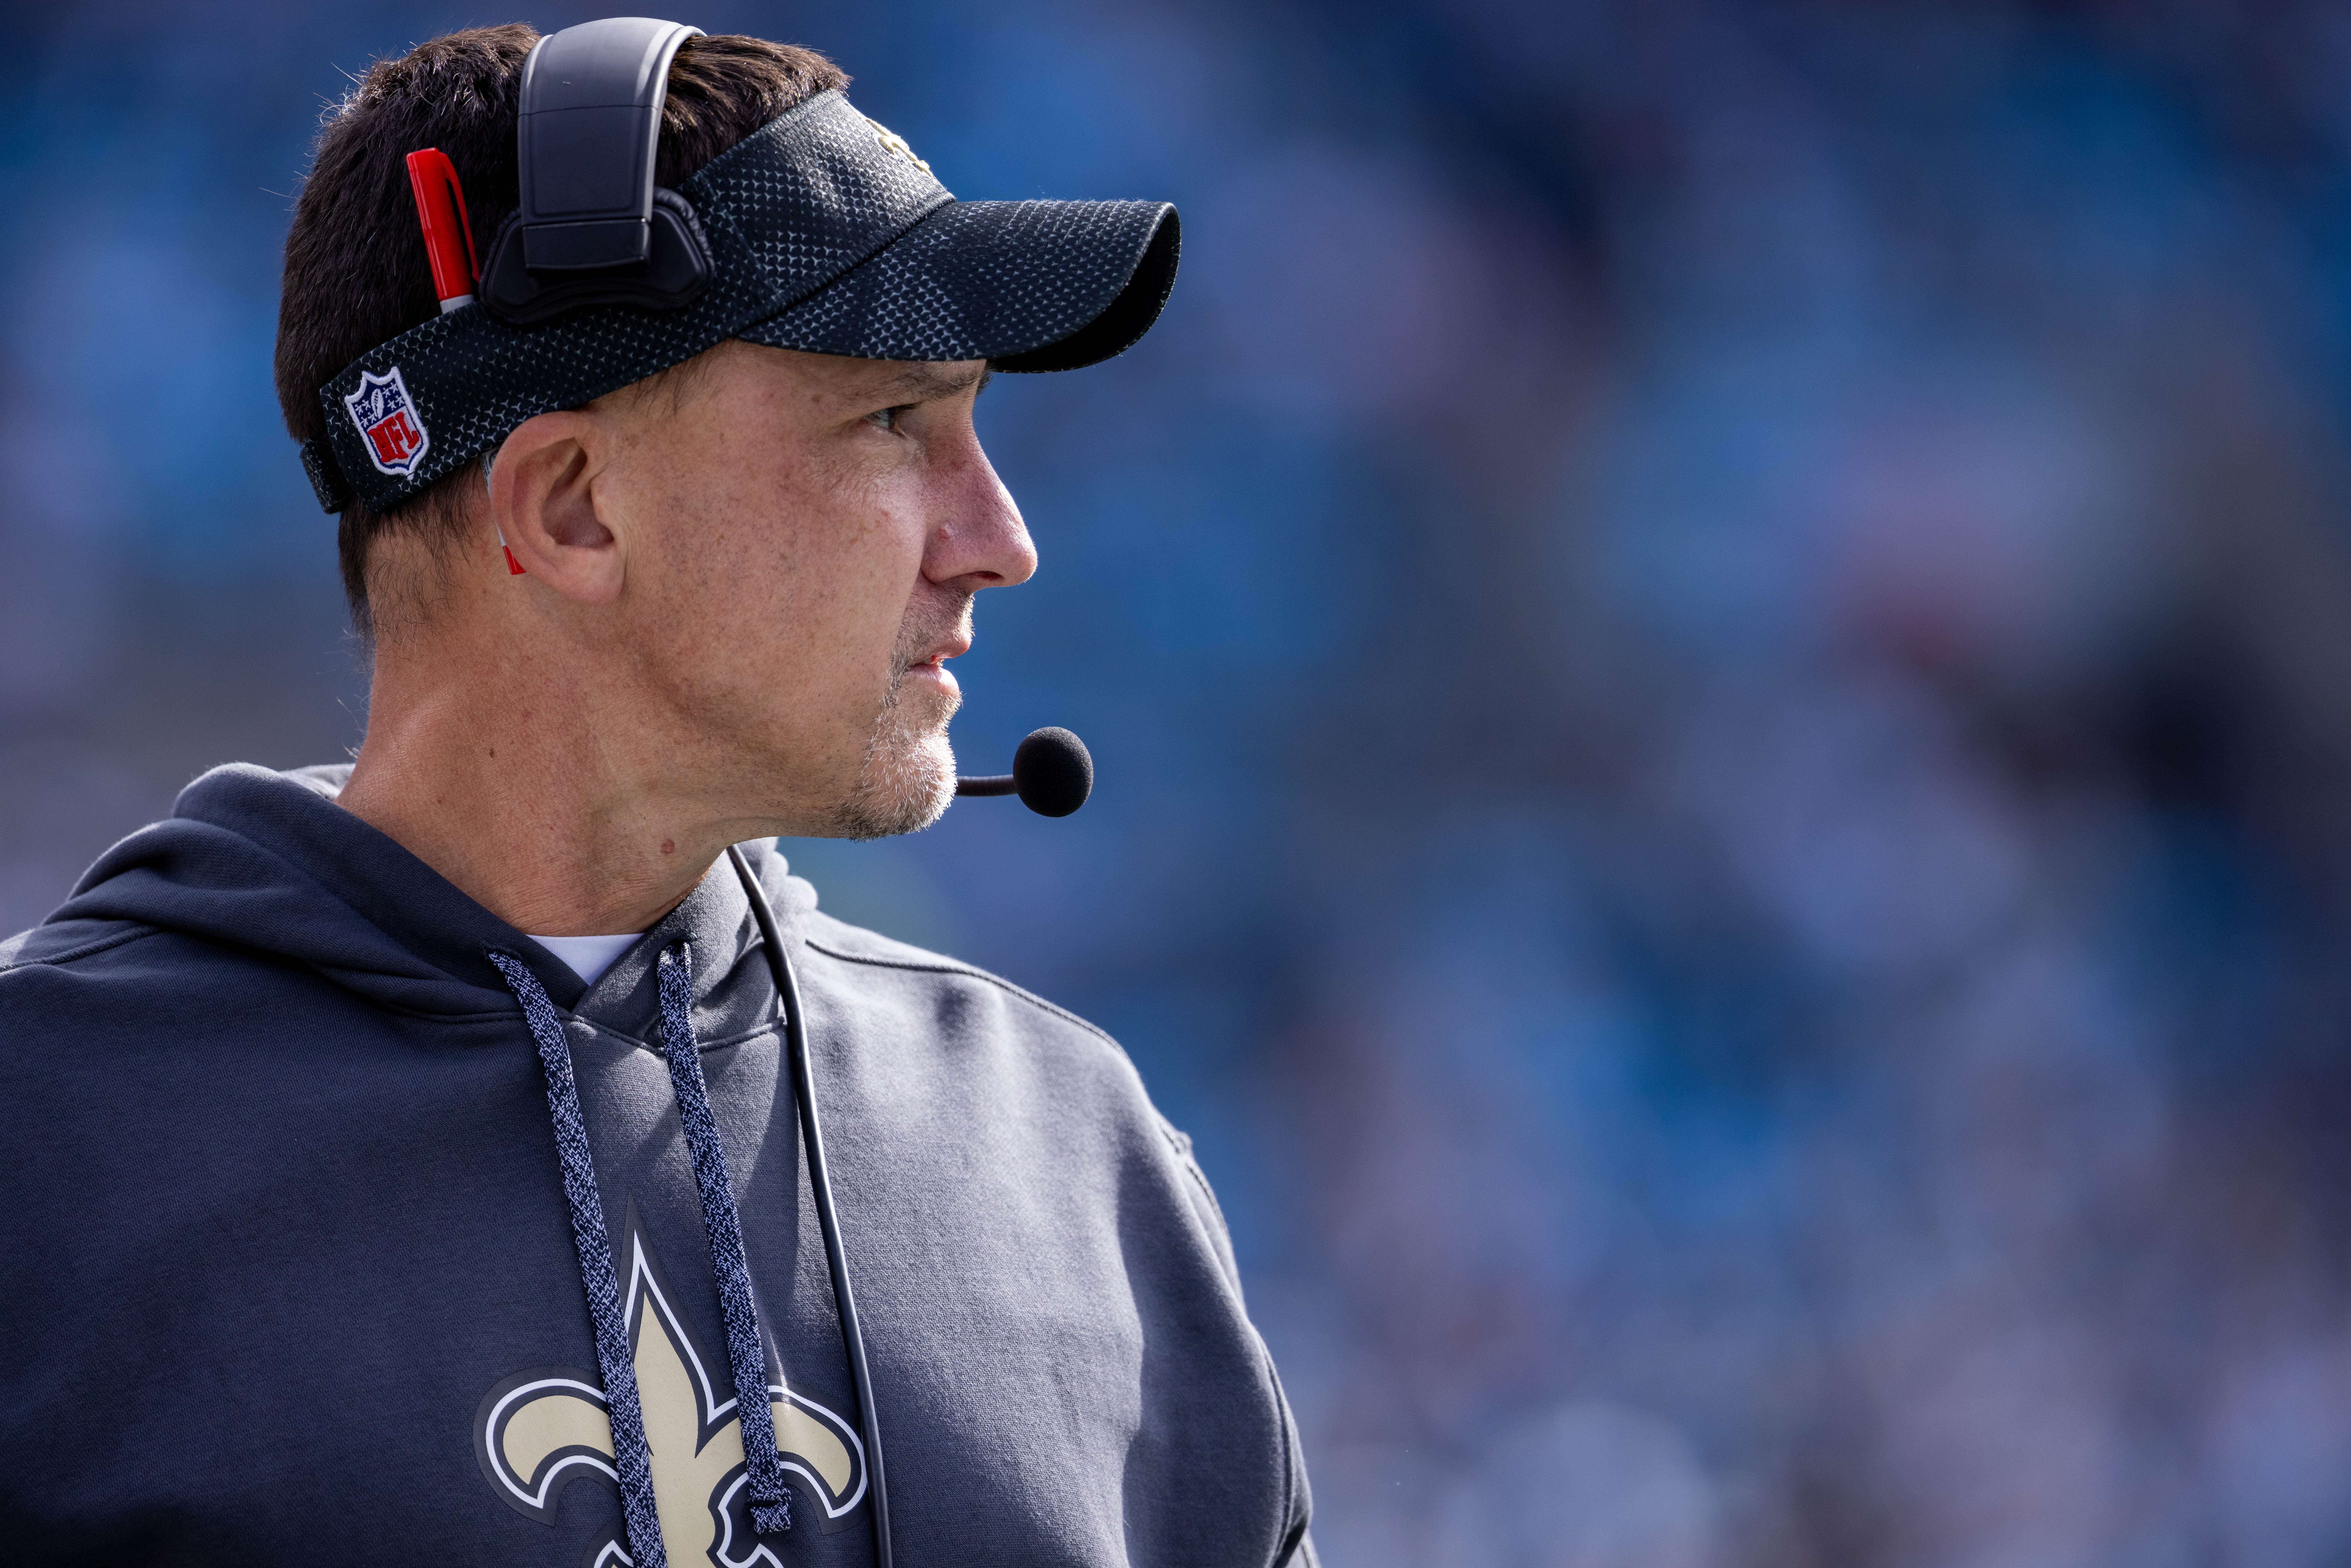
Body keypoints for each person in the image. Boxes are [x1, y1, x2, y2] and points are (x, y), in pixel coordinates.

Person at [0, 21, 1314, 1567]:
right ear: (572, 509)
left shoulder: (1080, 1157)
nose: (1002, 539)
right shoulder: (43, 1152)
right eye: (894, 420)